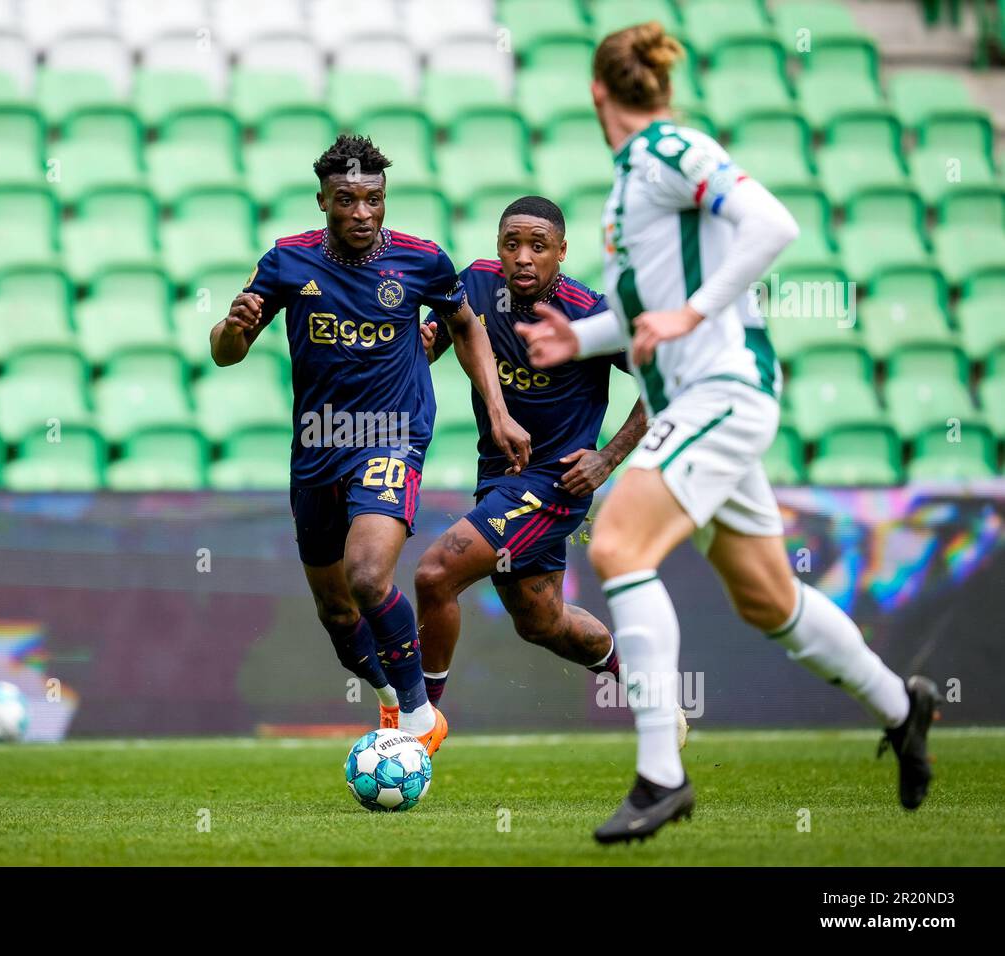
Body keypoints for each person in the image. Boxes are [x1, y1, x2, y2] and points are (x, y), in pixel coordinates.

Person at [517, 22, 940, 843]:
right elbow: (651, 308)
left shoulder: (670, 149)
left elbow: (772, 224)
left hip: (722, 389)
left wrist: (695, 311)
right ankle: (902, 705)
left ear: (599, 92)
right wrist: (583, 338)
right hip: (696, 400)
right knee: (769, 600)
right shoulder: (634, 177)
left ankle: (660, 776)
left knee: (617, 548)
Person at [209, 135, 531, 754]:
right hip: (318, 443)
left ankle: (418, 719)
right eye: (347, 200)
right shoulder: (286, 261)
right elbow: (225, 354)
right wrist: (233, 326)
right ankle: (389, 701)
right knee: (337, 614)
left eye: (374, 199)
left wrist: (497, 411)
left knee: (366, 573)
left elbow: (465, 324)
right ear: (323, 201)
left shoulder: (423, 261)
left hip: (392, 433)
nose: (362, 212)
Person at [412, 197, 678, 741]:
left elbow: (666, 380)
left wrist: (608, 457)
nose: (524, 258)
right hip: (497, 476)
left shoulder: (592, 315)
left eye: (538, 246)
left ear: (561, 251)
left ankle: (420, 726)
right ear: (498, 250)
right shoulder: (478, 286)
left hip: (555, 484)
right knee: (542, 622)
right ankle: (650, 696)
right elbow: (436, 345)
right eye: (512, 245)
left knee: (435, 574)